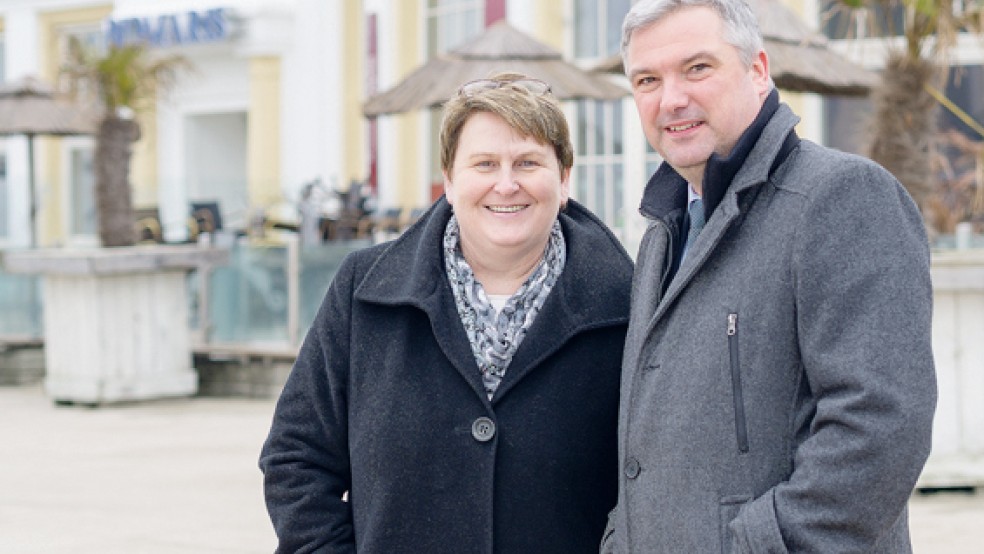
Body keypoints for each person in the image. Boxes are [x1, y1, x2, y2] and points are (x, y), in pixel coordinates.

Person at [601, 1, 937, 552]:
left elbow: (880, 426)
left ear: (758, 70)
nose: (671, 99)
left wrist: (759, 545)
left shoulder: (842, 196)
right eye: (647, 80)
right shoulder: (663, 231)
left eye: (697, 68)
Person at [260, 72, 633, 553]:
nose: (506, 184)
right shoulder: (362, 292)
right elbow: (296, 457)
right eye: (484, 164)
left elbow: (654, 477)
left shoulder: (627, 305)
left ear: (563, 180)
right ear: (450, 181)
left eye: (527, 162)